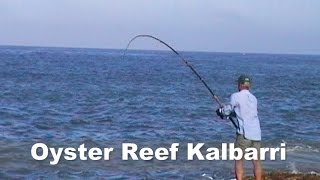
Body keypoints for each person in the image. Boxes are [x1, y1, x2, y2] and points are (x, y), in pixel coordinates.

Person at [216, 75, 262, 180]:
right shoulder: (254, 98)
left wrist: (220, 111)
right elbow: (243, 113)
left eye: (238, 83)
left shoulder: (236, 96)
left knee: (239, 160)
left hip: (244, 135)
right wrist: (228, 113)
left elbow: (227, 111)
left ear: (240, 85)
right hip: (256, 134)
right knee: (256, 161)